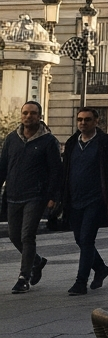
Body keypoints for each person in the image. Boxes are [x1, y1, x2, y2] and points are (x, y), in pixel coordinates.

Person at [60, 108, 108, 295]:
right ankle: (101, 268)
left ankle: (81, 282)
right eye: (80, 119)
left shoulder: (105, 142)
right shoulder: (73, 142)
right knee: (80, 239)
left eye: (87, 120)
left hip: (96, 199)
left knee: (87, 238)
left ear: (96, 121)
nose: (83, 123)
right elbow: (65, 171)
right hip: (74, 199)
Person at [0, 101, 61, 294]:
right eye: (25, 113)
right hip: (13, 195)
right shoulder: (11, 139)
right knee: (13, 235)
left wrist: (52, 196)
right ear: (21, 115)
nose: (28, 116)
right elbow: (3, 166)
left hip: (36, 196)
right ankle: (37, 261)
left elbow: (55, 171)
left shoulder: (48, 141)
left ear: (39, 116)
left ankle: (23, 277)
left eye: (32, 113)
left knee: (27, 235)